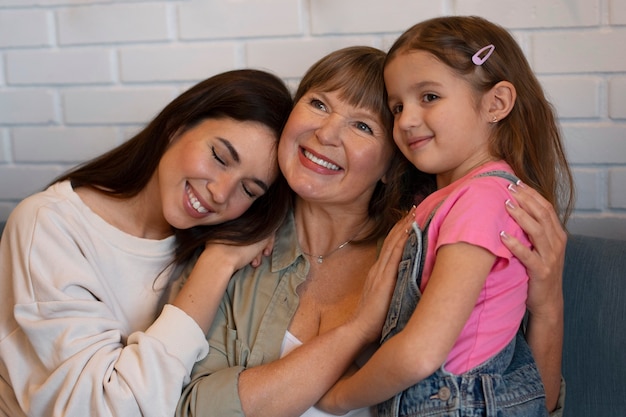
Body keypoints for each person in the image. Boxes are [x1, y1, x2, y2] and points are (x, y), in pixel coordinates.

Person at [176, 46, 566, 417]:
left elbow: (523, 401)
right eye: (318, 104)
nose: (326, 134)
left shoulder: (428, 254)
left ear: (391, 166)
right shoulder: (235, 248)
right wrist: (358, 330)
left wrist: (548, 307)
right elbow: (196, 407)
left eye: (362, 125)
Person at [317, 16, 574, 416]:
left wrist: (339, 398)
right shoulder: (462, 197)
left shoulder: (481, 200)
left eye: (430, 97)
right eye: (397, 106)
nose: (406, 120)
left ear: (496, 103)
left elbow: (421, 353)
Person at [0, 69, 293, 417]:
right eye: (219, 156)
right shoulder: (49, 225)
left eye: (248, 189)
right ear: (177, 125)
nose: (220, 192)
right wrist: (217, 265)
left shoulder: (219, 243)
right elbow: (104, 409)